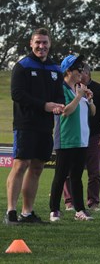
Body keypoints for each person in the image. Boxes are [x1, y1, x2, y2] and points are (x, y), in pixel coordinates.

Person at [5, 28, 65, 225]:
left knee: (38, 167)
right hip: (25, 124)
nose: (41, 46)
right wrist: (44, 105)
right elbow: (17, 94)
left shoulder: (56, 69)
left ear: (50, 44)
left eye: (45, 42)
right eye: (38, 42)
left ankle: (27, 212)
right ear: (31, 43)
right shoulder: (22, 66)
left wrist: (57, 105)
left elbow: (59, 96)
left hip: (45, 126)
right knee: (21, 164)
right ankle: (11, 212)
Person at [49, 54, 96, 221]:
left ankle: (80, 210)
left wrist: (88, 99)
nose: (81, 72)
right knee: (61, 176)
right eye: (78, 69)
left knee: (76, 177)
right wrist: (78, 96)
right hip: (66, 139)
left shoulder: (79, 89)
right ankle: (54, 210)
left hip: (81, 140)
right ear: (68, 71)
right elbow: (66, 111)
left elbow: (93, 112)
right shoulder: (61, 89)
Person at [63, 63, 100, 211]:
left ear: (88, 73)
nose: (79, 75)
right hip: (73, 136)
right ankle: (69, 201)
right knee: (69, 171)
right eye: (77, 72)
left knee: (95, 172)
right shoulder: (69, 88)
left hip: (93, 136)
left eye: (81, 72)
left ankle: (93, 202)